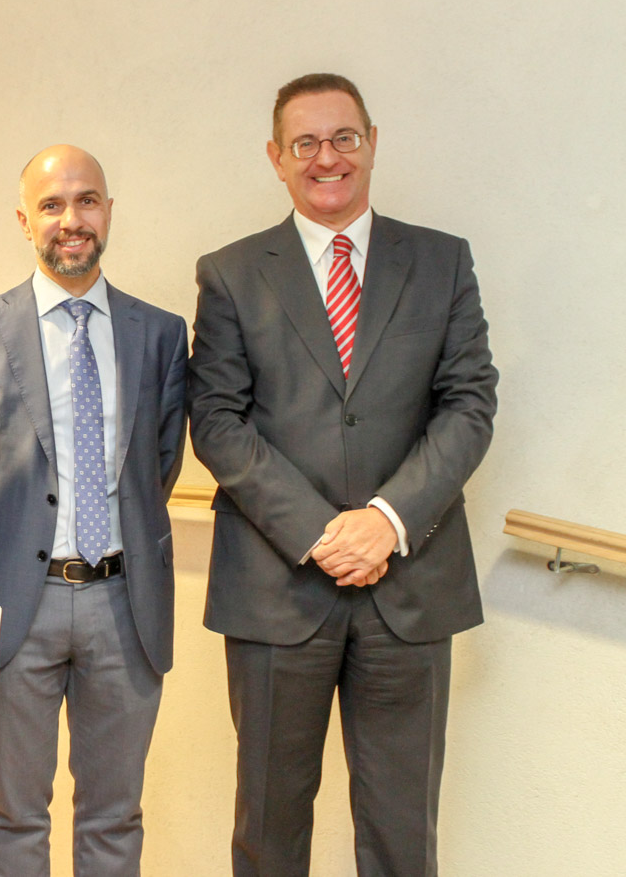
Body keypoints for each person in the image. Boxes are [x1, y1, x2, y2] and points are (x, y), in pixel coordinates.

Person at [188, 74, 497, 876]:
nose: (328, 158)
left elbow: (468, 404)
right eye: (307, 143)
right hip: (276, 589)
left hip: (411, 589)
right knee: (269, 829)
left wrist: (386, 521)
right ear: (276, 158)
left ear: (370, 142)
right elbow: (218, 421)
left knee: (402, 832)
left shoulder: (441, 261)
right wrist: (323, 530)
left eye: (344, 138)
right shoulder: (229, 274)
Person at [0, 145, 187, 875]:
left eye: (86, 201)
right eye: (51, 205)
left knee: (115, 815)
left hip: (125, 601)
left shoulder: (160, 333)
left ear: (109, 212)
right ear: (25, 220)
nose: (71, 220)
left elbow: (161, 462)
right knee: (15, 812)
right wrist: (14, 540)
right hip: (15, 602)